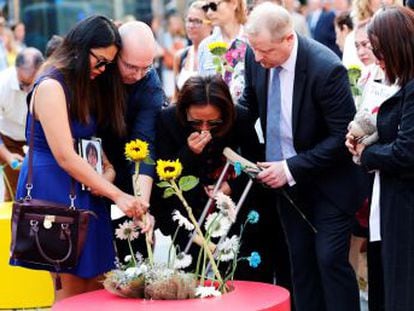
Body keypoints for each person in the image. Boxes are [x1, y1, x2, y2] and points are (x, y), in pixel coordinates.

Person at [11, 15, 148, 302]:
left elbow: (89, 144)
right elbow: (65, 155)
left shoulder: (82, 83)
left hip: (86, 187)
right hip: (58, 191)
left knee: (97, 290)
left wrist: (106, 174)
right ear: (81, 48)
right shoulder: (51, 85)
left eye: (108, 64)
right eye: (100, 61)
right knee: (72, 294)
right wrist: (117, 195)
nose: (102, 69)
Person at [240, 3, 367, 310]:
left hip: (330, 183)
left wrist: (290, 168)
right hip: (288, 186)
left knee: (328, 259)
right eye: (254, 50)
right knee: (300, 262)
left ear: (288, 39)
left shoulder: (326, 68)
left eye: (264, 51)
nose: (257, 58)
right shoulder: (256, 55)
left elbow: (341, 137)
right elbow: (249, 104)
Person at [150, 75, 266, 277]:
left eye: (213, 123)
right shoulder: (167, 120)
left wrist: (230, 187)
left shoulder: (240, 118)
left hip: (232, 210)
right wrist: (188, 152)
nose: (204, 129)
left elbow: (256, 165)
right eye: (196, 122)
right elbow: (162, 172)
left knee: (236, 274)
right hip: (188, 212)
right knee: (190, 276)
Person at [346, 6, 414, 311]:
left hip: (404, 206)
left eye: (377, 48)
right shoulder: (396, 81)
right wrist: (360, 137)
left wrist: (366, 154)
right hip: (388, 200)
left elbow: (406, 151)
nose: (374, 54)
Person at [99, 20, 164, 260]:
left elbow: (143, 145)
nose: (137, 75)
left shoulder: (150, 84)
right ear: (115, 54)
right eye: (130, 67)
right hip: (92, 163)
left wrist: (141, 205)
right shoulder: (98, 72)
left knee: (137, 251)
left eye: (145, 68)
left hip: (132, 168)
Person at [0, 47, 44, 201]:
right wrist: (7, 155)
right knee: (15, 190)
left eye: (31, 85)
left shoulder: (49, 82)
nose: (27, 91)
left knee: (42, 187)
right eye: (23, 84)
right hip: (10, 139)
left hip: (39, 137)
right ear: (16, 69)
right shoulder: (2, 83)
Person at [198, 0, 248, 102]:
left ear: (234, 3)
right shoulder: (205, 46)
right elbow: (202, 89)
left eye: (213, 6)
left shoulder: (252, 40)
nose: (209, 13)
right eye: (206, 8)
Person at [172, 0, 212, 101]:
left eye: (197, 21)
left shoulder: (217, 55)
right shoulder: (181, 56)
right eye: (189, 20)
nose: (191, 25)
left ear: (211, 24)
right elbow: (176, 97)